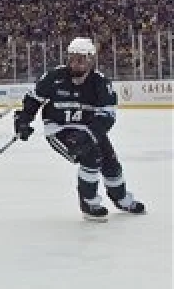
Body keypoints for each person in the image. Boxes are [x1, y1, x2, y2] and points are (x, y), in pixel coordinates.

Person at [13, 37, 146, 221]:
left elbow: (107, 116)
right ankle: (89, 203)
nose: (75, 63)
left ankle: (121, 198)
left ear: (91, 60)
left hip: (89, 129)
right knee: (91, 159)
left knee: (111, 162)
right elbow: (33, 99)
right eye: (72, 58)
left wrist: (89, 134)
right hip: (59, 129)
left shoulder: (100, 83)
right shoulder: (53, 77)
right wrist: (23, 120)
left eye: (81, 59)